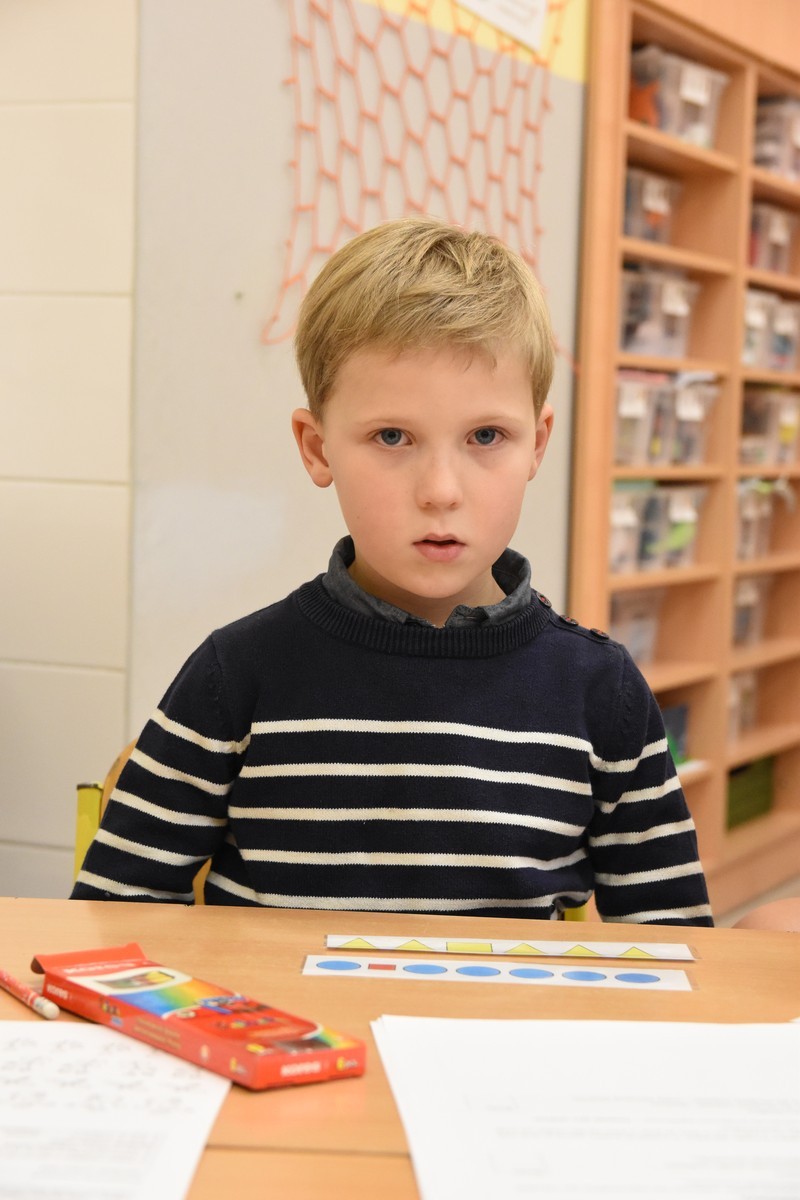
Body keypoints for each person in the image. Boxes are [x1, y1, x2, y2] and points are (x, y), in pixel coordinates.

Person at [71, 216, 713, 926]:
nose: (440, 490)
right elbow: (110, 919)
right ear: (317, 448)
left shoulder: (602, 693)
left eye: (486, 436)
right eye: (392, 436)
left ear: (537, 444)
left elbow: (677, 948)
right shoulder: (236, 675)